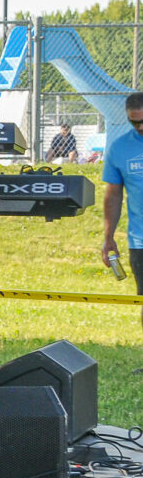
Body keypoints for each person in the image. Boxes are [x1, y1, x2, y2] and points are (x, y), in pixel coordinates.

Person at [100, 93, 143, 328]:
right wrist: (108, 238)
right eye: (135, 122)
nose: (141, 127)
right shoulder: (120, 149)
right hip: (141, 241)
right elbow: (113, 195)